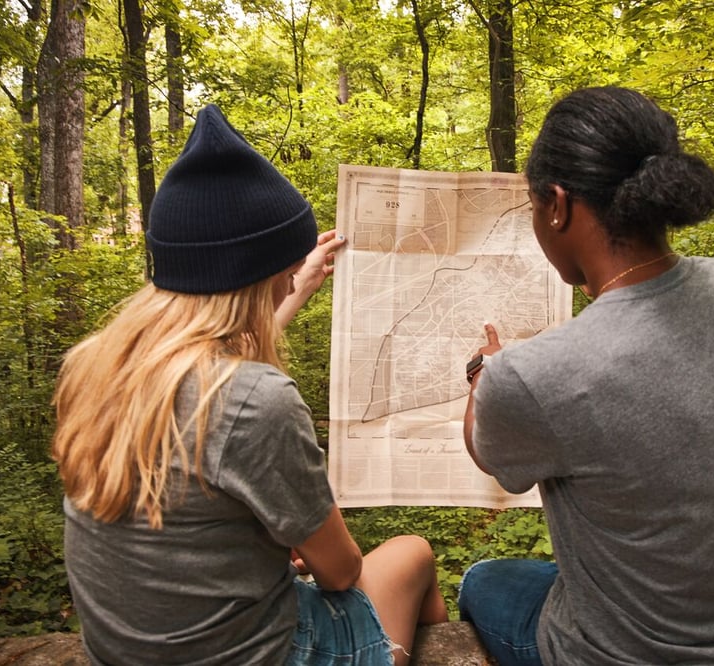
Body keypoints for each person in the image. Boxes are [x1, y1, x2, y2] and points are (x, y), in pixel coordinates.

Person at [52, 104, 447, 666]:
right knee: (413, 553)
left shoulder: (97, 368)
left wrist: (297, 288)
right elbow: (340, 572)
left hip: (126, 654)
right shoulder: (258, 401)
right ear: (256, 278)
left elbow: (204, 380)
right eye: (285, 272)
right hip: (254, 655)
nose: (293, 277)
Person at [458, 87, 714, 665]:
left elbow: (490, 456)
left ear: (557, 205)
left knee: (483, 581)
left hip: (618, 656)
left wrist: (486, 374)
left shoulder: (533, 374)